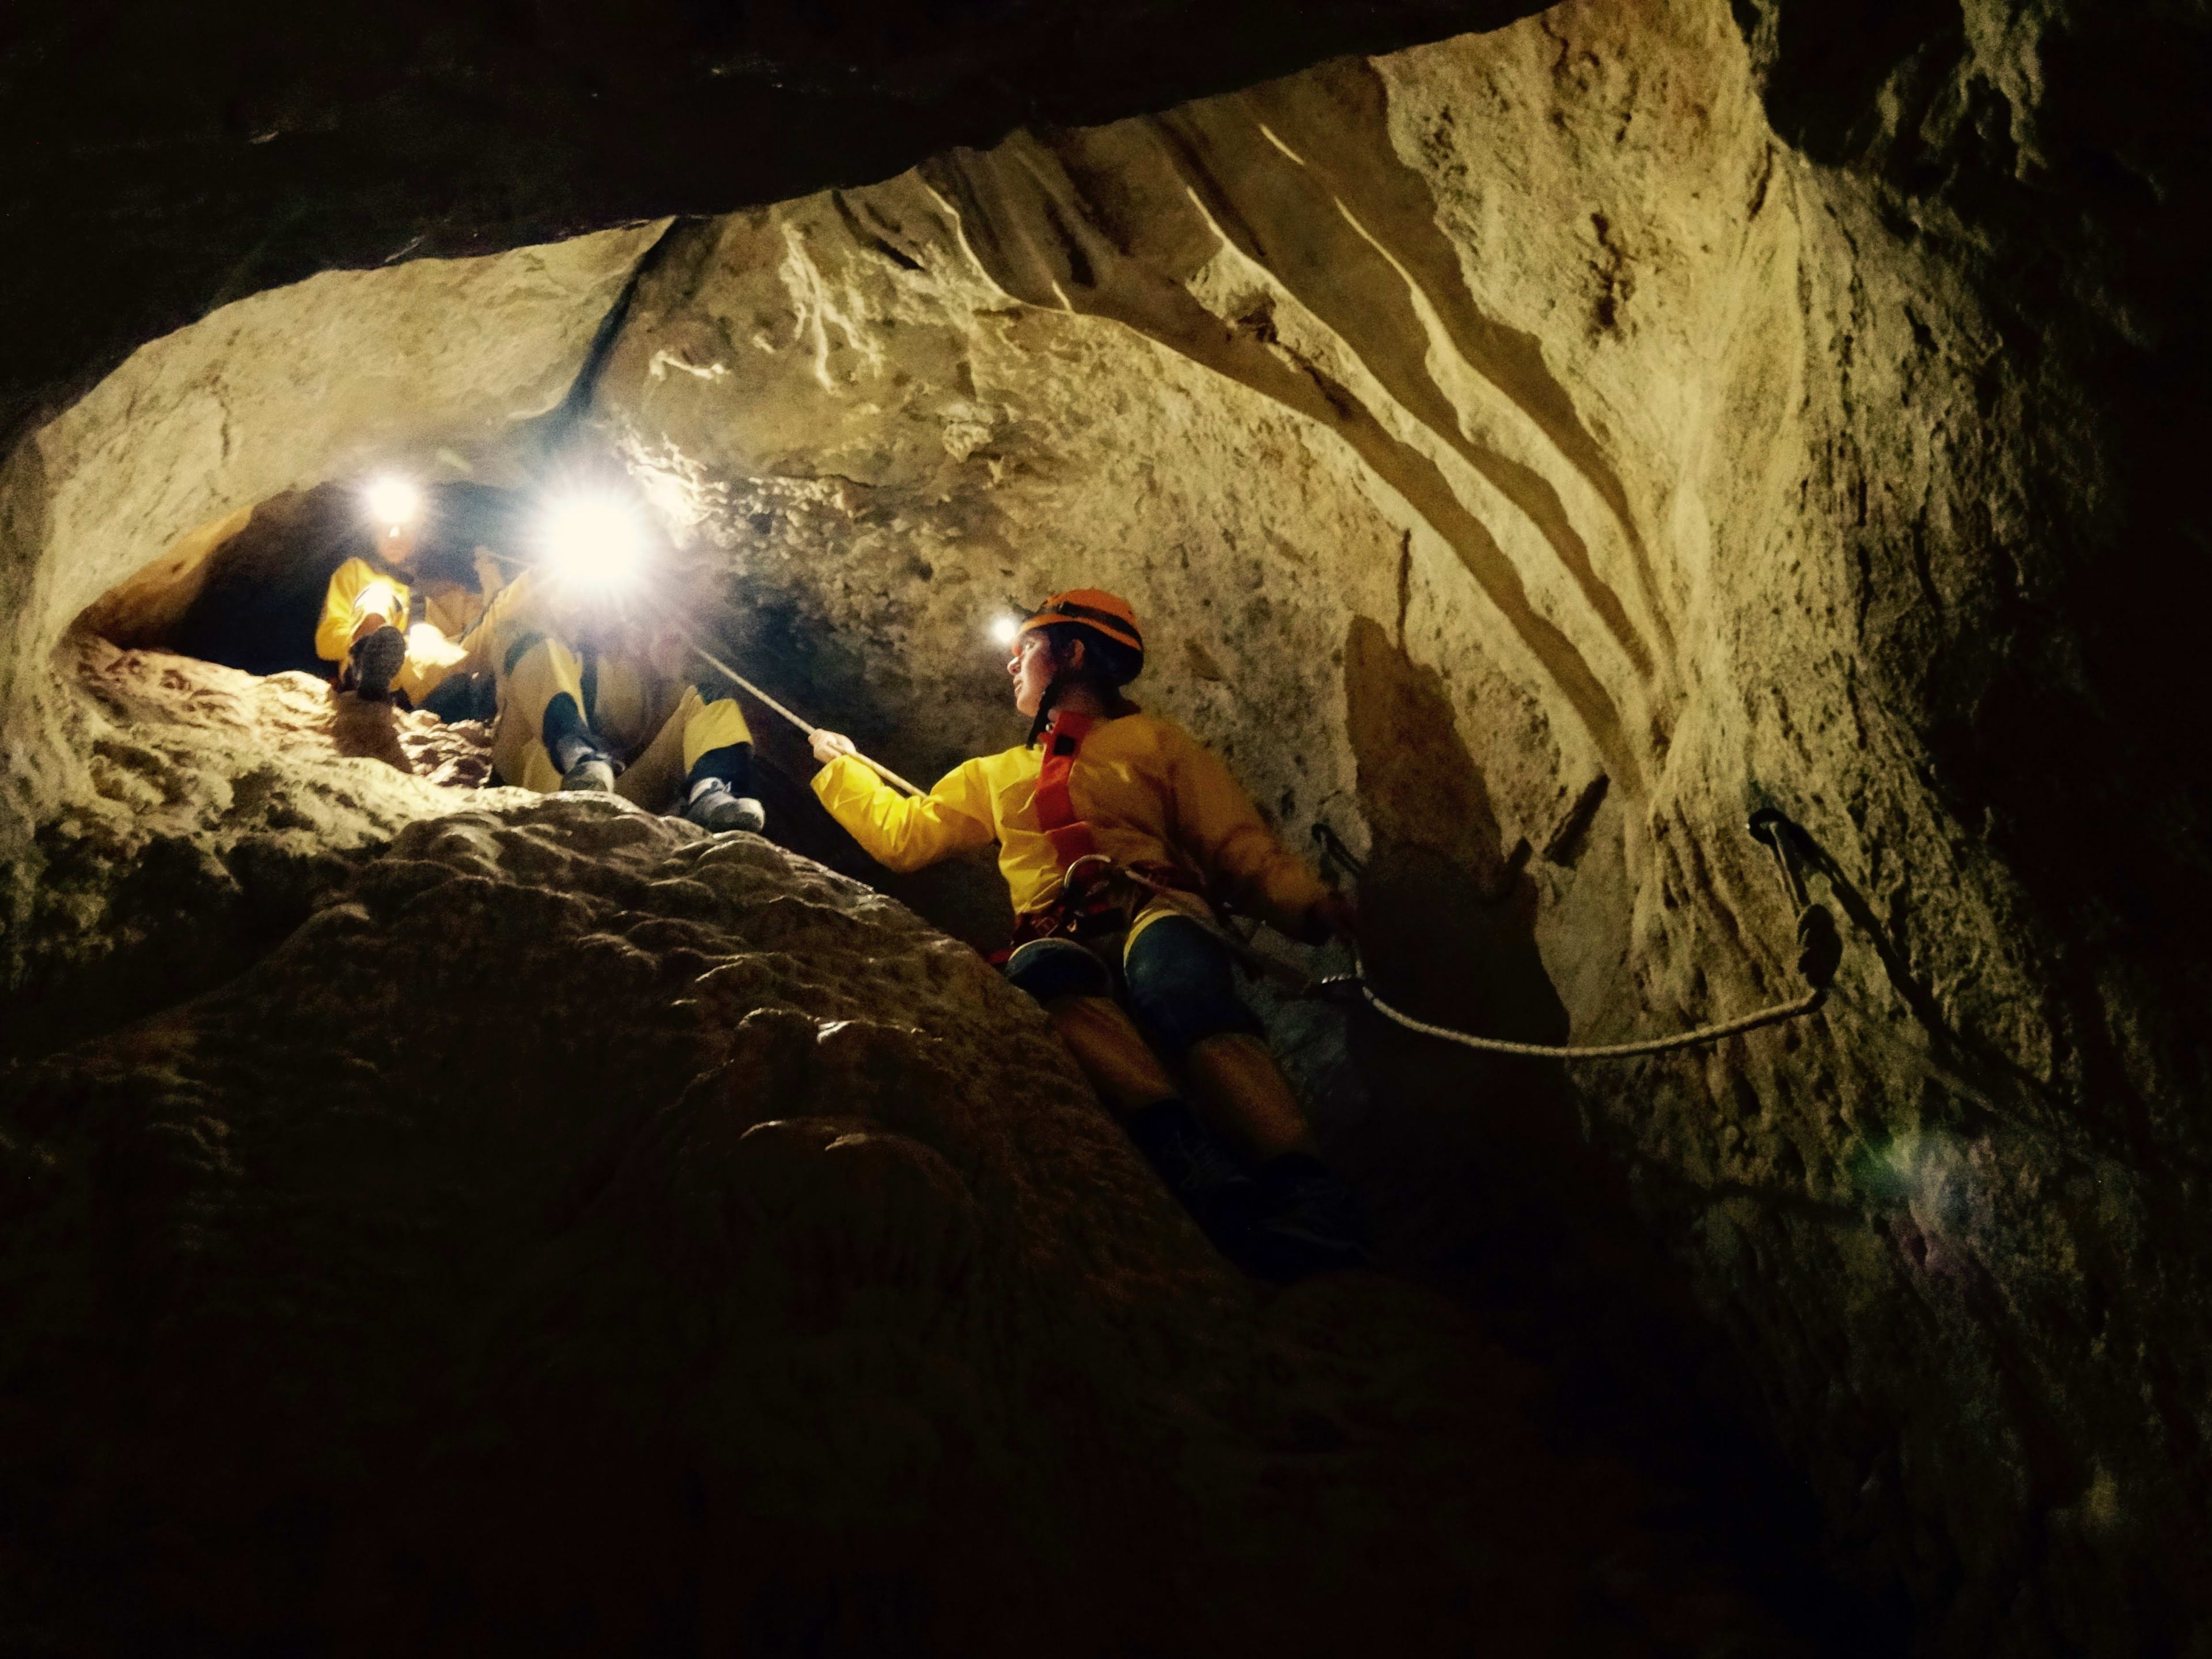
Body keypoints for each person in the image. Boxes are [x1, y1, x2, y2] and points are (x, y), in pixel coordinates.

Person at [806, 588, 1366, 1279]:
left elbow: (1233, 841)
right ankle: (1184, 1154)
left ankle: (1301, 1179)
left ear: (1073, 654)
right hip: (1053, 924)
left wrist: (1307, 905)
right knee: (1042, 976)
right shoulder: (995, 775)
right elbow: (908, 836)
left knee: (1177, 982)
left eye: (1028, 649)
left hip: (1151, 902)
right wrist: (843, 769)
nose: (1012, 665)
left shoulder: (1154, 744)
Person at [463, 569, 767, 834]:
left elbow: (653, 715)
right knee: (539, 646)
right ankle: (576, 752)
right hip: (534, 774)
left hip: (614, 794)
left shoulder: (647, 676)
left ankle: (713, 791)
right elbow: (517, 622)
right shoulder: (549, 638)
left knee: (708, 698)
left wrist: (665, 662)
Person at [314, 487, 499, 708]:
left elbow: (486, 627)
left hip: (439, 668)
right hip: (383, 677)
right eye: (386, 529)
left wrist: (491, 578)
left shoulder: (439, 588)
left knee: (431, 634)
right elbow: (326, 642)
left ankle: (472, 692)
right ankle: (370, 660)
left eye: (404, 529)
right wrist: (390, 642)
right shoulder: (356, 572)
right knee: (380, 594)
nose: (394, 535)